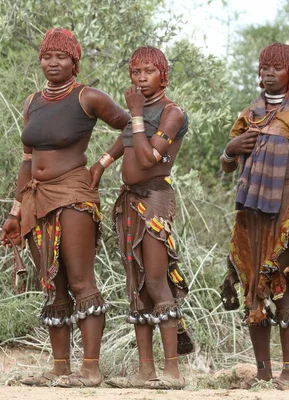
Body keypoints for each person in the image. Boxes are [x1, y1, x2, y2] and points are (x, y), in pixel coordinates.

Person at [0, 28, 130, 388]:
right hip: (36, 197)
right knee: (51, 283)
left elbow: (133, 126)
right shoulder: (32, 102)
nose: (52, 62)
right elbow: (27, 162)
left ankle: (90, 369)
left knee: (79, 280)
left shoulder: (89, 97)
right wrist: (14, 212)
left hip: (74, 192)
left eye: (61, 57)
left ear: (75, 61)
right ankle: (59, 368)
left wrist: (102, 163)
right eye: (47, 56)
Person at [219, 43, 289, 390]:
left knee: (282, 286)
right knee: (254, 287)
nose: (268, 73)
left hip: (285, 210)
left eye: (276, 68)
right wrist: (230, 150)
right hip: (251, 213)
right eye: (264, 67)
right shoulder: (248, 115)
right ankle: (263, 372)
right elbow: (226, 167)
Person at [90, 46, 192, 390]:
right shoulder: (144, 111)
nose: (141, 78)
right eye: (135, 72)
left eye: (148, 71)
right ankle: (145, 371)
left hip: (155, 200)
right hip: (131, 202)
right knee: (136, 286)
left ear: (163, 75)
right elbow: (126, 141)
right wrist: (101, 165)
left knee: (156, 281)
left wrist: (133, 112)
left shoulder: (171, 113)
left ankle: (172, 372)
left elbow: (148, 158)